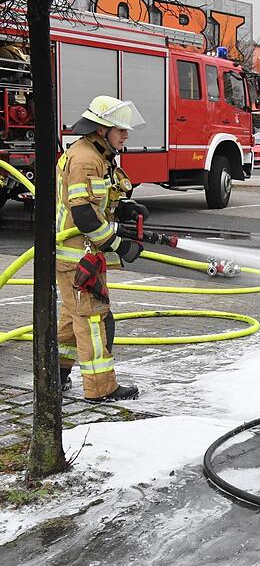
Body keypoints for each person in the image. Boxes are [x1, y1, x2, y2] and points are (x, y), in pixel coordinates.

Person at [56, 95, 148, 402]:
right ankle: (101, 389)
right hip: (79, 256)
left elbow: (95, 203)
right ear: (101, 129)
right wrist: (119, 245)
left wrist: (123, 208)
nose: (126, 135)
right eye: (120, 129)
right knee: (95, 320)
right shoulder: (86, 160)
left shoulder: (95, 154)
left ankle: (55, 375)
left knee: (72, 318)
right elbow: (84, 215)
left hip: (77, 255)